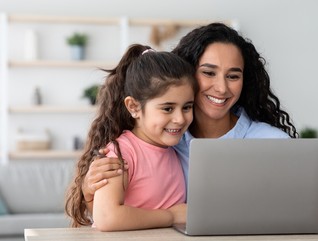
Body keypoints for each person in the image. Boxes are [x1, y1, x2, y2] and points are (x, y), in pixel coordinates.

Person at [80, 22, 298, 218]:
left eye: (233, 76)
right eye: (209, 73)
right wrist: (89, 192)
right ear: (188, 76)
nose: (221, 88)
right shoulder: (164, 139)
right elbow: (109, 216)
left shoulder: (274, 143)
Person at [65, 44, 198, 231]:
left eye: (187, 107)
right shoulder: (123, 153)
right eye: (167, 108)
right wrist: (172, 215)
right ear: (134, 107)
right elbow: (107, 217)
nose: (180, 119)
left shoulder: (173, 149)